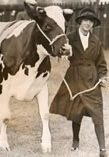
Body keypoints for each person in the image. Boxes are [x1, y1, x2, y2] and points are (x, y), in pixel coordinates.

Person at [49, 8, 108, 157]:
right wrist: (66, 51)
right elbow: (56, 51)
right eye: (86, 20)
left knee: (97, 112)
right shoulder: (69, 38)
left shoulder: (96, 41)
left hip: (91, 80)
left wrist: (103, 77)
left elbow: (101, 63)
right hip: (74, 79)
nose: (88, 23)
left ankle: (102, 149)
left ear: (93, 24)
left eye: (91, 21)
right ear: (80, 21)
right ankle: (75, 140)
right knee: (77, 111)